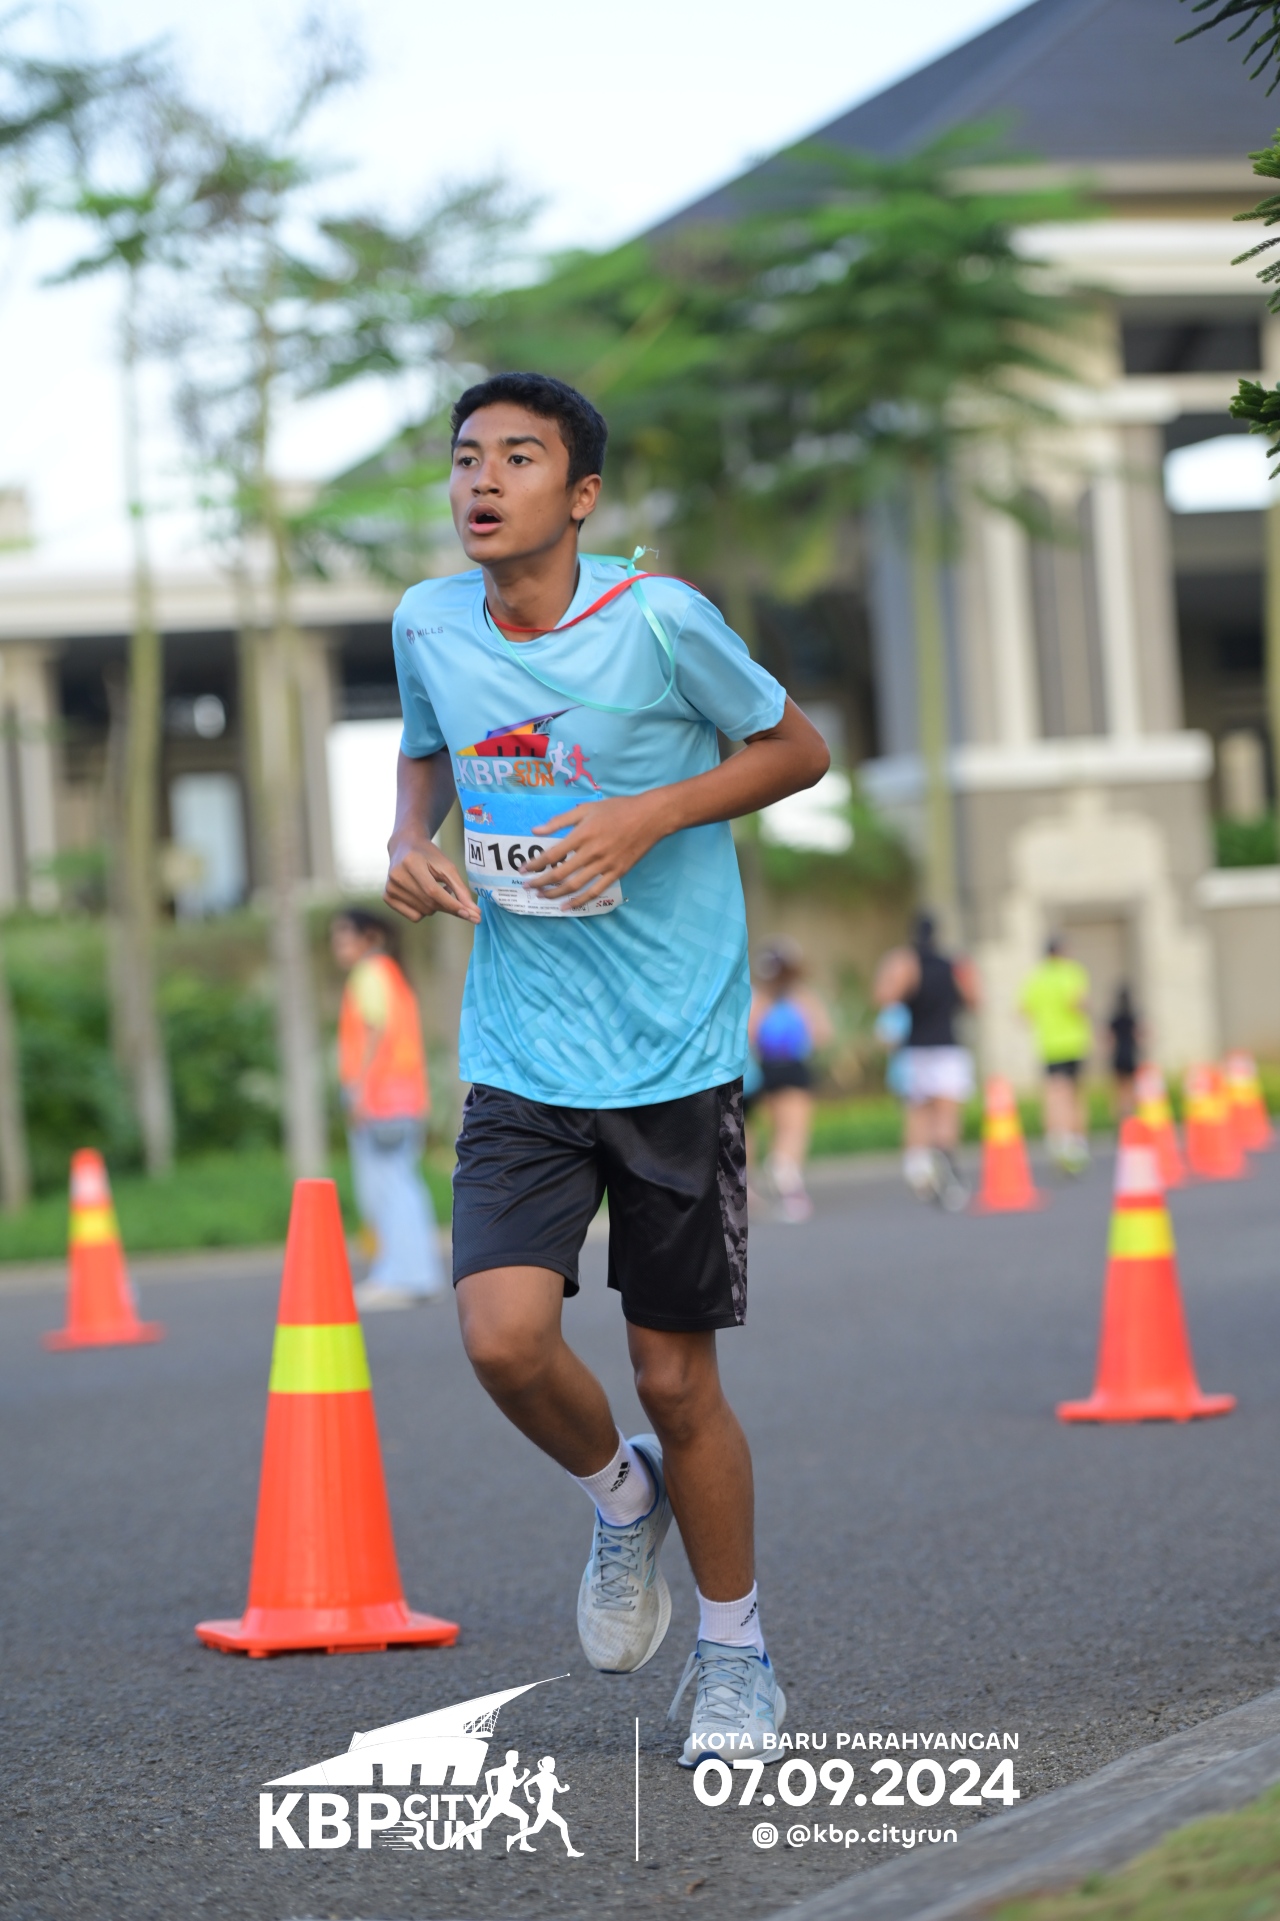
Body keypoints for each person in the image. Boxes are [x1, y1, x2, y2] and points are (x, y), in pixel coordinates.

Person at [382, 372, 829, 1766]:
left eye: (518, 457)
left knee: (675, 1380)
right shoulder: (428, 620)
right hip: (522, 1046)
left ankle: (737, 1653)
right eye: (467, 456)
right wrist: (406, 838)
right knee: (502, 1338)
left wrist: (649, 813)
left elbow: (797, 748)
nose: (482, 479)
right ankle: (620, 1497)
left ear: (580, 497)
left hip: (672, 1048)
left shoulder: (661, 620)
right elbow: (424, 750)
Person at [331, 907, 445, 1309]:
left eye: (345, 937)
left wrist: (359, 1089)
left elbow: (375, 1028)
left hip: (381, 1099)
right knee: (402, 1185)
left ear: (371, 938)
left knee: (386, 1189)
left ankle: (399, 1275)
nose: (338, 946)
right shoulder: (393, 975)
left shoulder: (370, 973)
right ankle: (415, 1273)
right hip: (405, 1096)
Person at [873, 912, 978, 1210]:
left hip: (915, 1049)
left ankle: (918, 1169)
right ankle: (946, 1167)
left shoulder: (906, 964)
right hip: (947, 1048)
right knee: (947, 1113)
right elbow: (973, 1001)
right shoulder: (954, 965)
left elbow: (885, 997)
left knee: (917, 1111)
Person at [746, 939, 832, 1222]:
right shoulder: (801, 997)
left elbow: (749, 1034)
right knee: (793, 1130)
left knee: (764, 1129)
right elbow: (822, 1033)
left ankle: (758, 1180)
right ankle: (786, 1177)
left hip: (764, 1069)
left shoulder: (757, 998)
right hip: (793, 1067)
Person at [1019, 935, 1092, 1174]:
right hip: (1074, 1043)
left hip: (1048, 1045)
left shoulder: (1036, 977)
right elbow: (1078, 1003)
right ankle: (1077, 1143)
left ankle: (1057, 1141)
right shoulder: (1071, 972)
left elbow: (1024, 1011)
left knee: (1054, 1094)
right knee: (1076, 1094)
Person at [1108, 984, 1140, 1118]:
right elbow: (1139, 1035)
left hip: (1118, 1055)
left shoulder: (1114, 1018)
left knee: (1119, 1088)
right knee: (1130, 1087)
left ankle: (1120, 1115)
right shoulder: (1133, 1017)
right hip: (1130, 1055)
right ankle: (1131, 1114)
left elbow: (1109, 1039)